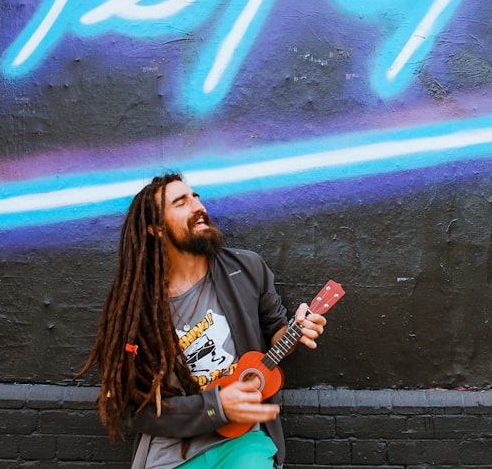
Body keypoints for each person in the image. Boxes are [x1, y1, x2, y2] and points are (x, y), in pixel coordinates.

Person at [77, 172, 326, 469]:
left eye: (196, 197)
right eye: (181, 202)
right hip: (171, 452)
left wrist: (295, 331)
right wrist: (217, 407)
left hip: (243, 440)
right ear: (156, 229)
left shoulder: (246, 269)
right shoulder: (137, 308)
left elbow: (275, 333)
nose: (198, 206)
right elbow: (136, 410)